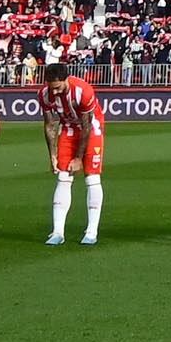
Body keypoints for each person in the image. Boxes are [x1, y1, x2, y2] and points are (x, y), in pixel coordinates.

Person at [42, 55, 107, 247]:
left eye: (58, 87)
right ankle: (57, 232)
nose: (55, 91)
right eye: (52, 87)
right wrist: (52, 154)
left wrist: (79, 158)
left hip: (91, 129)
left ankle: (91, 231)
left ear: (66, 80)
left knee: (92, 178)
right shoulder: (45, 94)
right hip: (68, 129)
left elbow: (86, 126)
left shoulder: (83, 91)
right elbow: (49, 125)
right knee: (63, 176)